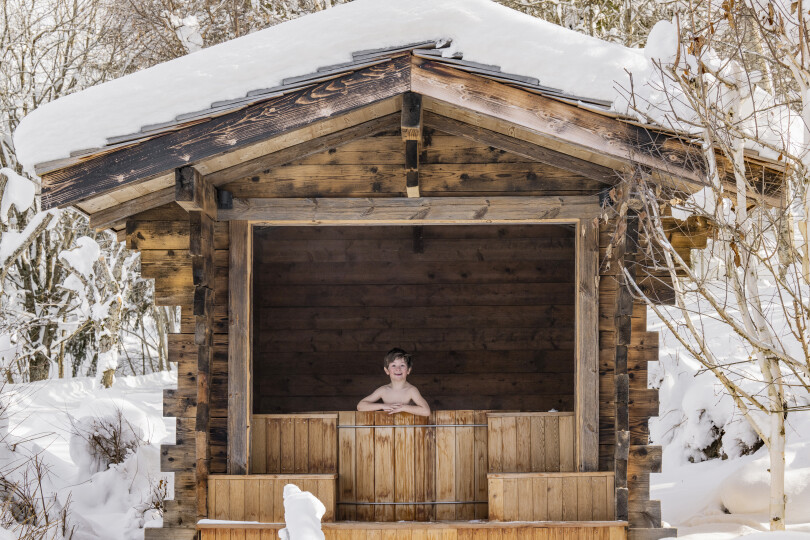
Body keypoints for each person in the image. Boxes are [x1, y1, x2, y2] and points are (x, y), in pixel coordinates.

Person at [357, 348, 431, 417]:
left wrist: (403, 407)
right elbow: (360, 406)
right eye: (393, 365)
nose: (398, 369)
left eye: (402, 365)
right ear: (387, 370)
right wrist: (383, 406)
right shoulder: (383, 390)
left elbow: (426, 411)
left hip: (408, 428)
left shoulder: (411, 390)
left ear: (408, 370)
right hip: (388, 428)